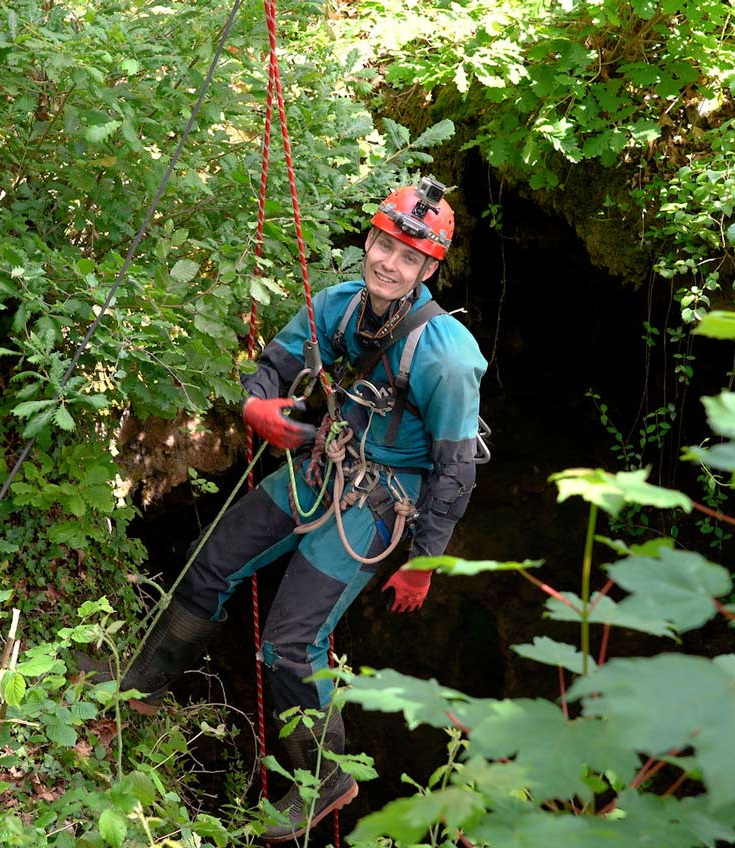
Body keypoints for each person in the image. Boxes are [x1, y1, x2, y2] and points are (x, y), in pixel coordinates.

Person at [106, 176, 486, 842]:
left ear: (428, 269)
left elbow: (455, 472)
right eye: (384, 245)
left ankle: (320, 779)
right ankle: (145, 682)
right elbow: (274, 365)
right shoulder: (340, 307)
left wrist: (424, 563)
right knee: (211, 563)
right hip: (324, 462)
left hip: (380, 502)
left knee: (288, 645)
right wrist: (256, 406)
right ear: (369, 239)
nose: (389, 265)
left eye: (409, 259)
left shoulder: (446, 359)